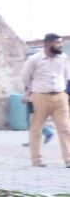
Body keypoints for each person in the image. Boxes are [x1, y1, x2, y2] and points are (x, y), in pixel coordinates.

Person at [23, 33, 70, 168]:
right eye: (58, 43)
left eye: (61, 43)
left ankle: (68, 159)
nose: (60, 46)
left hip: (60, 96)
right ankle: (36, 160)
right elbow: (26, 77)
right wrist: (33, 90)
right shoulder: (34, 60)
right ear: (48, 44)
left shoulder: (63, 58)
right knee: (36, 129)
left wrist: (63, 90)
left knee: (65, 128)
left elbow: (66, 75)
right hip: (40, 97)